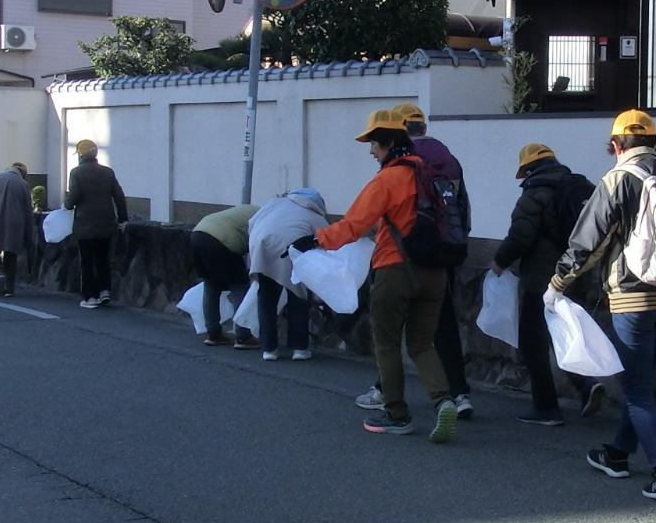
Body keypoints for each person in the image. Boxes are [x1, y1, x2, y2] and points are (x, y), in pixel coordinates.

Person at [552, 109, 656, 503]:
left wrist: (557, 284)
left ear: (616, 145)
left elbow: (587, 242)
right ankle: (617, 455)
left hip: (632, 298)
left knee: (637, 390)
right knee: (639, 383)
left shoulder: (617, 181)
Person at [303, 107, 459, 442]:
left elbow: (354, 225)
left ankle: (397, 414)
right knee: (421, 343)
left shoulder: (388, 179)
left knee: (386, 343)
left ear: (388, 143)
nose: (372, 151)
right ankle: (443, 400)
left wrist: (317, 239)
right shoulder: (432, 175)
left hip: (396, 269)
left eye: (374, 144)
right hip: (436, 272)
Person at [355, 102, 477, 418]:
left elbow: (383, 215)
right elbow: (460, 207)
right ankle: (457, 394)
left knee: (389, 334)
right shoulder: (449, 161)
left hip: (402, 257)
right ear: (422, 126)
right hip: (444, 253)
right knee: (440, 327)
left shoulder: (401, 164)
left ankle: (387, 396)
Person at [491, 142, 599, 426]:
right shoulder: (579, 187)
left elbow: (520, 236)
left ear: (528, 168)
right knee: (566, 335)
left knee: (533, 342)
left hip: (542, 280)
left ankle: (546, 408)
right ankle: (586, 385)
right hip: (577, 276)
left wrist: (500, 260)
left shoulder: (535, 192)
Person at [247, 188, 327, 361]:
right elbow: (326, 240)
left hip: (262, 245)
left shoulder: (275, 204)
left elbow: (252, 221)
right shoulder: (315, 215)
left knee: (266, 298)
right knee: (298, 296)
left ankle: (269, 349)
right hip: (293, 251)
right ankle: (299, 349)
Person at [64, 139, 128, 310]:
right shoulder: (108, 172)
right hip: (106, 224)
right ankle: (104, 291)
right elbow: (119, 196)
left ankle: (90, 296)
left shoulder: (76, 173)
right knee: (102, 259)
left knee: (86, 261)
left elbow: (73, 197)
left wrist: (67, 205)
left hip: (85, 225)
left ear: (81, 155)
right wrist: (123, 218)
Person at [192, 201, 261, 349]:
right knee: (240, 287)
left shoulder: (250, 210)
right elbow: (258, 245)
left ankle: (213, 333)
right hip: (222, 240)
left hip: (197, 234)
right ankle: (243, 336)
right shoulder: (264, 217)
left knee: (211, 285)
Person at [0, 162, 38, 297]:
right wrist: (29, 235)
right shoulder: (23, 185)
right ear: (23, 173)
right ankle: (9, 288)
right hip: (15, 224)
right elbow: (28, 211)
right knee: (11, 255)